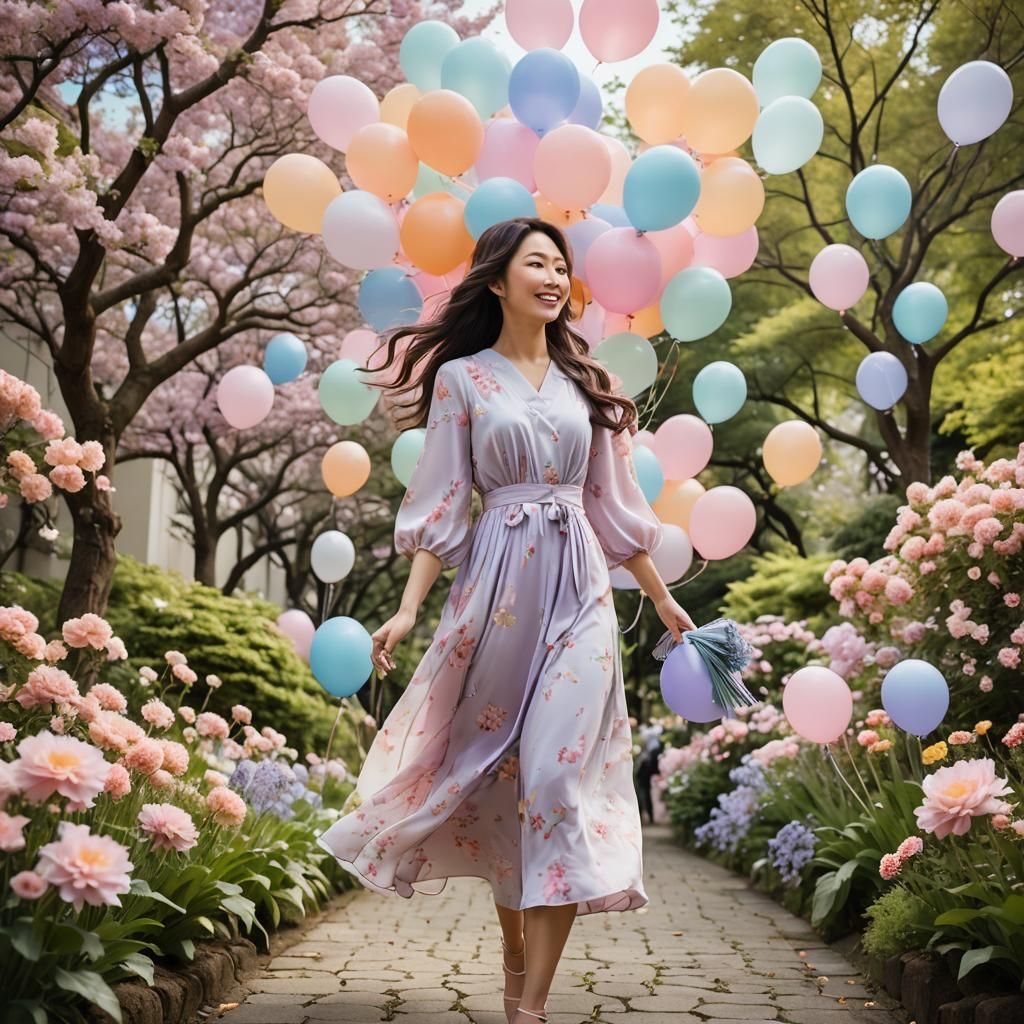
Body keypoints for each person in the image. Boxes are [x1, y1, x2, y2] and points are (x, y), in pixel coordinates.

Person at [316, 217, 696, 1024]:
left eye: (562, 266)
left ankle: (530, 1008)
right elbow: (444, 502)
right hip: (496, 593)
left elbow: (611, 506)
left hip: (581, 593)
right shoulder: (463, 380)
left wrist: (660, 596)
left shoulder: (587, 383)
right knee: (502, 778)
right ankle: (514, 946)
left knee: (556, 778)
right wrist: (409, 606)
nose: (556, 278)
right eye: (537, 264)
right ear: (498, 280)